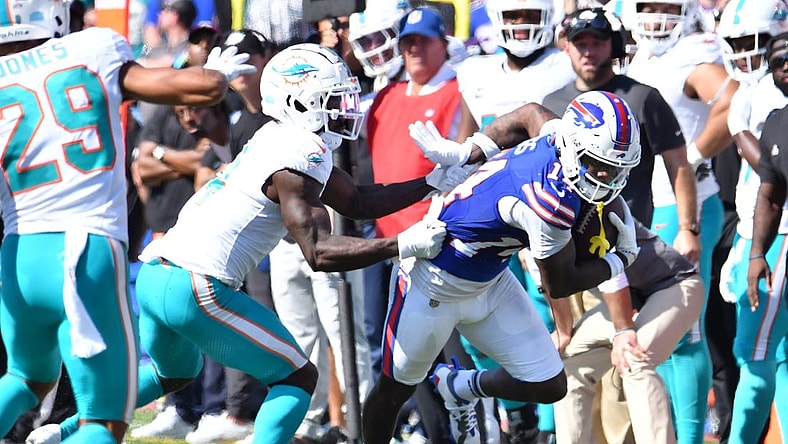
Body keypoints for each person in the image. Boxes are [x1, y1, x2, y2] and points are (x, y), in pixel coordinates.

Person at [27, 43, 465, 444]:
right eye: (334, 100)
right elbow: (320, 252)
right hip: (198, 284)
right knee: (296, 379)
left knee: (173, 373)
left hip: (160, 273)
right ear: (300, 102)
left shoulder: (278, 137)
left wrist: (427, 184)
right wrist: (402, 244)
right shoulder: (300, 153)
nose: (345, 109)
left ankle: (62, 431)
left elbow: (356, 199)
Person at [0, 0, 253, 441]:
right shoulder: (92, 49)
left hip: (18, 253)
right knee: (105, 419)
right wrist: (218, 75)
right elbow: (198, 89)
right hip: (83, 248)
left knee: (25, 379)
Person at [363, 90, 643, 444]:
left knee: (549, 384)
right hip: (431, 283)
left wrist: (472, 149)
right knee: (393, 389)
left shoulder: (558, 139)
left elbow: (529, 113)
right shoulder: (548, 200)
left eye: (616, 167)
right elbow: (560, 283)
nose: (606, 176)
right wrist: (619, 261)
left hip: (490, 278)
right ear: (573, 147)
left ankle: (459, 386)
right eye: (597, 164)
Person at [622, 1, 739, 441]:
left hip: (683, 205)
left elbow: (732, 98)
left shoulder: (693, 51)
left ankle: (688, 436)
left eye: (667, 6)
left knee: (684, 331)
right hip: (645, 207)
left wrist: (693, 155)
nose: (656, 17)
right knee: (654, 333)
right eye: (648, 6)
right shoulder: (642, 55)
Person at [719, 22, 788, 442]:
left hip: (780, 238)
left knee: (756, 353)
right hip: (763, 235)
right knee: (775, 355)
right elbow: (769, 182)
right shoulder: (767, 106)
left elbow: (773, 183)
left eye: (755, 43)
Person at [744, 104, 788, 444]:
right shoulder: (777, 122)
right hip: (779, 243)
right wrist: (757, 253)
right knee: (760, 347)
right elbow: (771, 195)